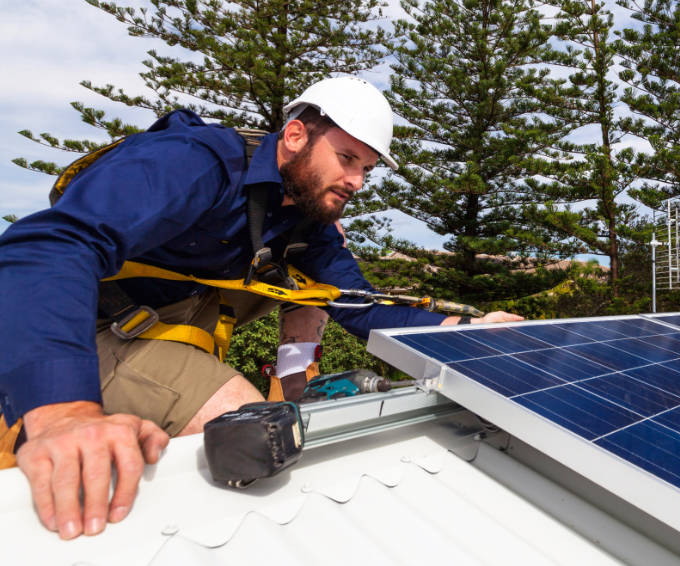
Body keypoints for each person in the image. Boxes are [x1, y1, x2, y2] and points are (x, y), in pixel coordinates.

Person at [0, 76, 521, 540]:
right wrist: (63, 411)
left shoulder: (307, 221)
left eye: (366, 168)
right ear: (295, 136)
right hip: (90, 328)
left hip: (173, 321)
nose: (357, 182)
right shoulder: (195, 161)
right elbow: (49, 246)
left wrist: (460, 328)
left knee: (313, 289)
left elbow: (356, 304)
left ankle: (296, 386)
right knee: (252, 429)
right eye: (346, 158)